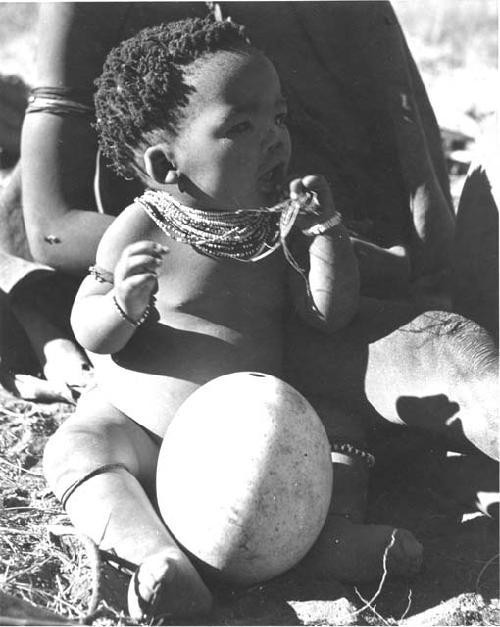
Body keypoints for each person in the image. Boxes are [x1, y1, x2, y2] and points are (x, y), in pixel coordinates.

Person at [43, 16, 424, 622]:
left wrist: (327, 238)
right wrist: (121, 305)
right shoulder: (144, 227)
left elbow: (325, 314)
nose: (274, 138)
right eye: (242, 126)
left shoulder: (278, 227)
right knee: (79, 446)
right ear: (168, 166)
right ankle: (156, 557)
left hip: (263, 442)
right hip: (149, 432)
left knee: (343, 428)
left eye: (279, 117)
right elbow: (88, 323)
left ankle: (330, 538)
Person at [0, 1, 460, 397]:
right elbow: (50, 227)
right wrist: (232, 250)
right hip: (169, 256)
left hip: (315, 239)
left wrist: (344, 249)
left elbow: (409, 158)